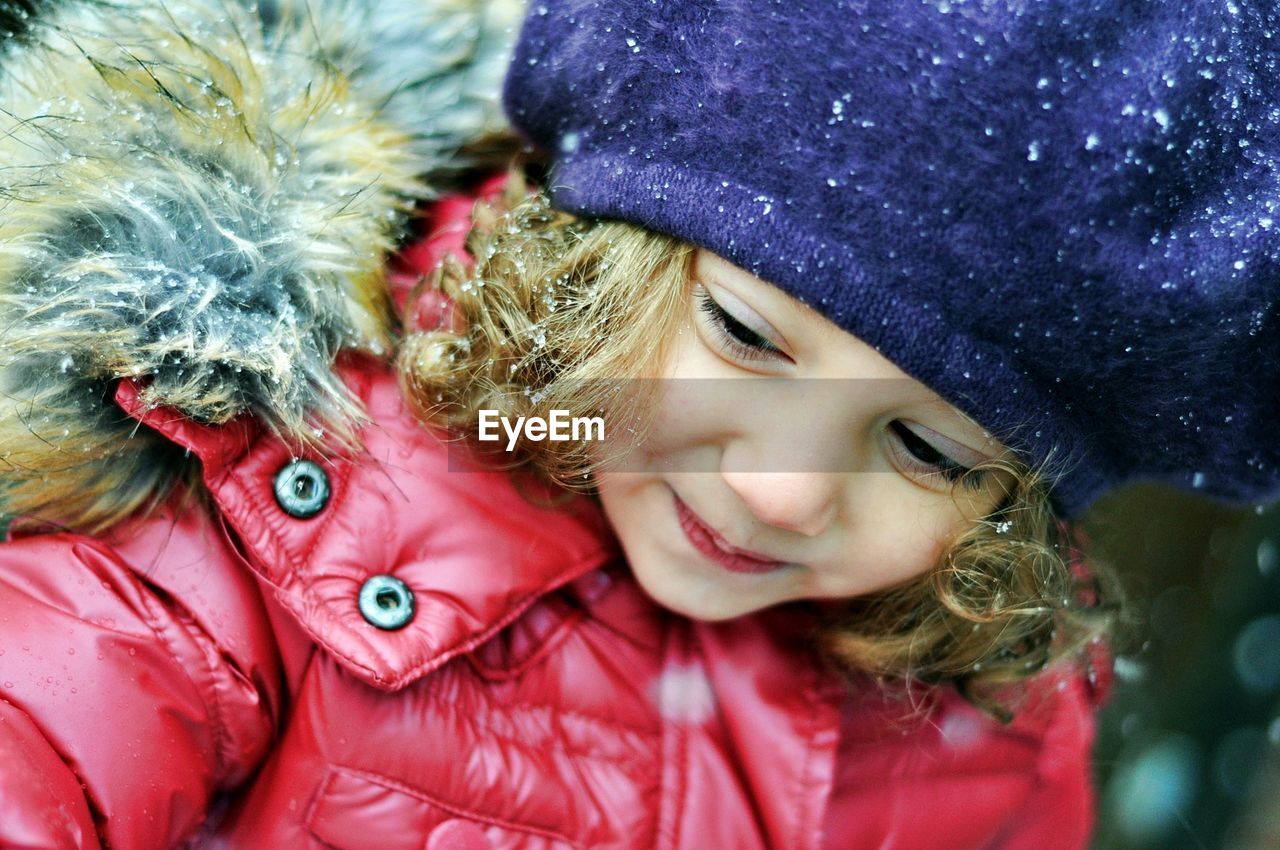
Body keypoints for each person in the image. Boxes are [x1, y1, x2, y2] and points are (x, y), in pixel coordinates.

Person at [0, 1, 1276, 849]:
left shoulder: (975, 732)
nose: (780, 492)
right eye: (743, 336)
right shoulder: (282, 479)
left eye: (930, 449)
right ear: (593, 260)